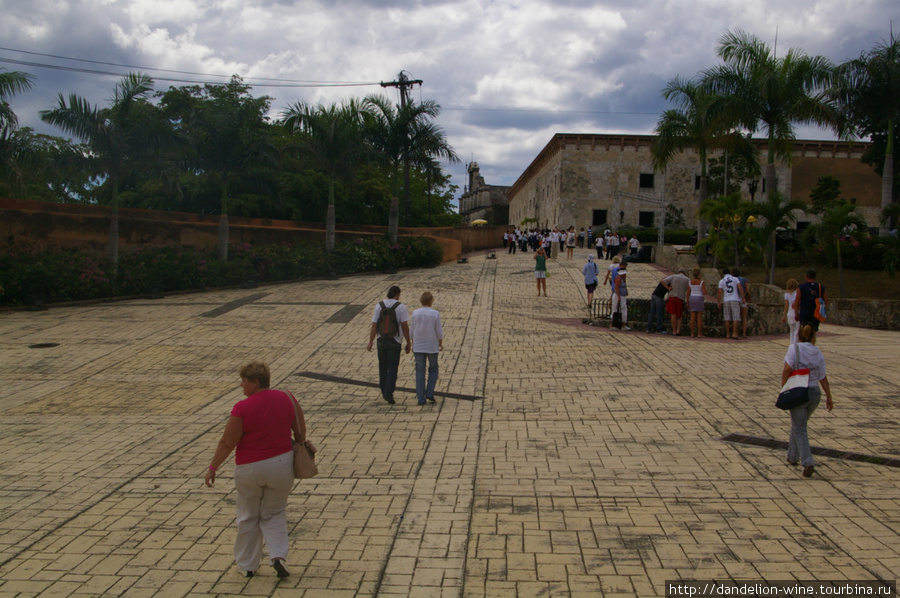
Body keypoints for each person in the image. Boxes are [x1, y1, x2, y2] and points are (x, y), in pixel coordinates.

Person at [205, 361, 306, 579]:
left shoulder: (242, 408)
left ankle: (247, 564)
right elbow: (300, 431)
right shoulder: (287, 397)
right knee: (274, 513)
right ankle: (278, 556)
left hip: (250, 467)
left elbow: (227, 442)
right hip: (281, 465)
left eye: (244, 381)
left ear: (255, 382)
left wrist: (213, 467)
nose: (241, 385)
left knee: (249, 515)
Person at [781, 324, 833, 477]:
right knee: (799, 424)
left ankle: (808, 462)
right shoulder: (818, 353)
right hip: (814, 393)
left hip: (799, 391)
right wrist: (829, 396)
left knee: (800, 427)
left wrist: (784, 387)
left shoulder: (794, 349)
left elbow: (786, 369)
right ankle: (792, 456)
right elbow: (822, 377)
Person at [367, 285, 411, 404]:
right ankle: (389, 392)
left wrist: (370, 342)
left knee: (382, 366)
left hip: (381, 340)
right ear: (397, 294)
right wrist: (408, 342)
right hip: (395, 341)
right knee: (392, 368)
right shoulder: (401, 307)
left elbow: (374, 325)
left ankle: (383, 390)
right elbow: (404, 326)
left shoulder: (379, 306)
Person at [410, 292, 444, 406]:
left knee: (420, 371)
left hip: (418, 345)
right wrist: (440, 341)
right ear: (431, 301)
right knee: (433, 368)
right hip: (431, 345)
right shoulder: (435, 314)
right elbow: (438, 330)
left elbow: (412, 330)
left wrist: (412, 341)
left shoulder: (415, 313)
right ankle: (429, 391)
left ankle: (421, 398)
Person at [717, 268, 744, 340]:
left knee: (727, 317)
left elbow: (719, 292)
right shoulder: (735, 279)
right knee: (736, 317)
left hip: (726, 299)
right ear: (730, 273)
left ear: (723, 274)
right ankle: (735, 333)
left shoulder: (721, 281)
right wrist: (743, 298)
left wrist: (719, 302)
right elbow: (740, 288)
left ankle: (728, 334)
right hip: (735, 298)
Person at [663, 268, 690, 336]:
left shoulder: (673, 276)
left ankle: (674, 331)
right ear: (684, 273)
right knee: (679, 315)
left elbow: (663, 281)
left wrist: (668, 288)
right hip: (680, 297)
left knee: (673, 314)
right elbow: (689, 288)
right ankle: (678, 330)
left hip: (672, 296)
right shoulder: (687, 279)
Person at [687, 267, 707, 338]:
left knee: (692, 317)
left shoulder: (690, 282)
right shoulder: (701, 282)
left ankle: (692, 333)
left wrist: (687, 301)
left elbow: (688, 293)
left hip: (692, 298)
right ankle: (699, 333)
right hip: (699, 298)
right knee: (699, 317)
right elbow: (704, 292)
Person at [611, 261, 630, 330]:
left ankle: (623, 324)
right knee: (616, 308)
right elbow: (617, 288)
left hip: (623, 295)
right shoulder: (618, 278)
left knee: (623, 308)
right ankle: (613, 324)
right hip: (618, 295)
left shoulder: (622, 278)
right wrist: (618, 297)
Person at [733, 267, 750, 338]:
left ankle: (735, 332)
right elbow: (747, 290)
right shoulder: (744, 280)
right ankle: (744, 333)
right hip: (742, 297)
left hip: (735, 297)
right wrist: (748, 296)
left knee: (736, 317)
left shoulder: (733, 279)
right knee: (744, 317)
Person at [783, 278, 800, 344]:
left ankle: (791, 345)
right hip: (796, 313)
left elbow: (786, 306)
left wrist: (784, 316)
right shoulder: (797, 293)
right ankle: (795, 346)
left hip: (789, 313)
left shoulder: (786, 294)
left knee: (792, 331)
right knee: (797, 331)